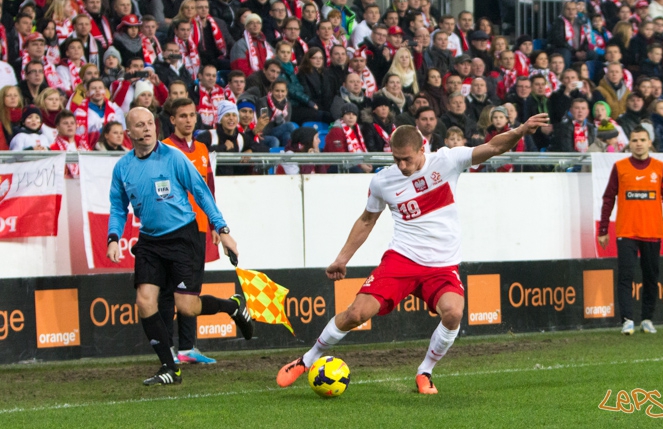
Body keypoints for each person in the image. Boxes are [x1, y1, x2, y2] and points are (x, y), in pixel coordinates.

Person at [276, 113, 549, 394]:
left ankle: (425, 371)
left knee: (453, 313)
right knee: (356, 313)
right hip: (402, 259)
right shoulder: (383, 182)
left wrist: (520, 130)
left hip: (442, 265)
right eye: (396, 159)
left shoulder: (447, 161)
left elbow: (493, 148)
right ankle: (307, 360)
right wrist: (342, 259)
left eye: (407, 158)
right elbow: (367, 220)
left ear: (422, 148)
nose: (402, 165)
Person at [106, 107, 253, 386]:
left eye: (150, 123)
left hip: (183, 237)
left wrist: (222, 230)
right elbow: (117, 206)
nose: (148, 128)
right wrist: (113, 237)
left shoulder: (174, 157)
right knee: (144, 301)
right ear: (129, 133)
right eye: (140, 125)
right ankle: (169, 367)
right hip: (149, 240)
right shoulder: (123, 167)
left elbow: (201, 191)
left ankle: (232, 307)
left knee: (187, 307)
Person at [598, 126, 663, 335]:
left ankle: (647, 319)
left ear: (649, 142)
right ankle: (626, 319)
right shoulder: (620, 167)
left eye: (642, 140)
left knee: (651, 276)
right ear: (629, 143)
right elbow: (609, 198)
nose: (639, 144)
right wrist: (603, 228)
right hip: (627, 231)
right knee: (626, 276)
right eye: (635, 140)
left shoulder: (660, 167)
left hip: (652, 231)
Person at [161, 98, 219, 365]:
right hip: (174, 230)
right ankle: (167, 348)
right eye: (182, 116)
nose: (188, 120)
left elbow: (208, 189)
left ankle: (187, 347)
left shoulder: (203, 149)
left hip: (198, 228)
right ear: (172, 120)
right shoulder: (165, 149)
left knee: (190, 290)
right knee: (167, 290)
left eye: (192, 115)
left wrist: (215, 223)